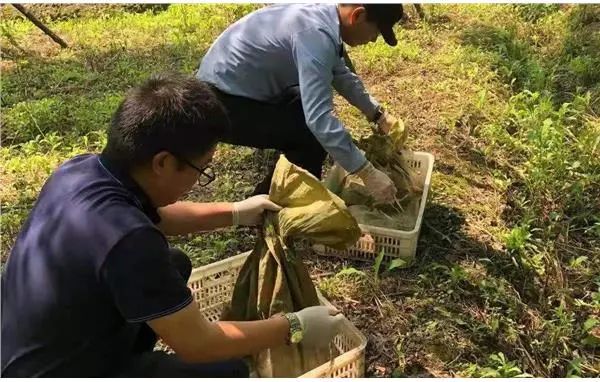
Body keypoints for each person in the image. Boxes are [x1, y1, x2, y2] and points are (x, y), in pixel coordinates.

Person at [1, 74, 344, 377]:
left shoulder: (79, 171)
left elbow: (158, 217)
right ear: (163, 163)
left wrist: (236, 212)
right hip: (57, 372)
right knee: (229, 371)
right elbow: (198, 345)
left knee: (174, 264)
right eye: (202, 170)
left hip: (27, 346)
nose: (198, 181)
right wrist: (293, 327)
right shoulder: (130, 242)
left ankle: (129, 356)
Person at [197, 3, 407, 201]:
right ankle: (269, 205)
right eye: (376, 32)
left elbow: (340, 74)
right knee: (311, 138)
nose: (373, 40)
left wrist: (378, 115)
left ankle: (281, 187)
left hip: (234, 88)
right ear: (358, 15)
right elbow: (319, 119)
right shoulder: (317, 35)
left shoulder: (323, 16)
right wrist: (366, 172)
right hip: (221, 104)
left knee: (302, 105)